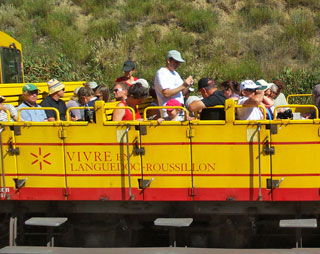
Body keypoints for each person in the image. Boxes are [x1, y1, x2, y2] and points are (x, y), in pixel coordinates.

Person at [154, 50, 193, 117]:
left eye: (179, 63)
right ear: (168, 60)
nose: (178, 65)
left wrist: (188, 85)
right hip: (169, 114)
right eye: (176, 62)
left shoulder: (175, 73)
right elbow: (166, 93)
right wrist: (184, 85)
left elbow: (181, 92)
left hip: (179, 111)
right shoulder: (161, 73)